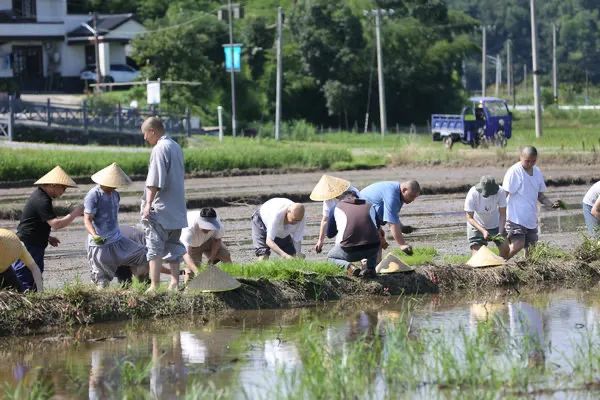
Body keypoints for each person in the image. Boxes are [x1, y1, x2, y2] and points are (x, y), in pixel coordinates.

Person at [11, 166, 83, 291]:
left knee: (34, 276)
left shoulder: (41, 196)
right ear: (53, 185)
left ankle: (32, 301)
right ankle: (21, 301)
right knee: (25, 276)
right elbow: (56, 224)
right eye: (63, 188)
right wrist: (75, 213)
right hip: (29, 245)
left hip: (32, 242)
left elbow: (32, 223)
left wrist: (47, 237)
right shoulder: (42, 200)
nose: (63, 192)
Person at [141, 116, 188, 291]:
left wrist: (148, 204)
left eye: (145, 134)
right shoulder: (175, 146)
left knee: (154, 247)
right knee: (173, 246)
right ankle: (174, 282)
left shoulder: (159, 149)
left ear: (152, 131)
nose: (145, 138)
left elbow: (155, 180)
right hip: (176, 210)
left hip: (161, 209)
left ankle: (154, 285)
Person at [83, 163, 148, 288]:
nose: (115, 185)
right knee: (102, 282)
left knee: (144, 255)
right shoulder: (94, 195)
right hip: (100, 244)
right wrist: (95, 235)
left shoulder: (115, 195)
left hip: (118, 240)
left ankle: (142, 286)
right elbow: (87, 220)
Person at [502, 146, 561, 260]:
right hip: (515, 218)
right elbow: (505, 194)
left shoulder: (537, 172)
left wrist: (550, 204)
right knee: (517, 245)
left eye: (533, 161)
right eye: (527, 161)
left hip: (530, 218)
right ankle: (498, 264)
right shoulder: (514, 172)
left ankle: (527, 269)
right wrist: (500, 214)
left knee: (532, 249)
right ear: (521, 157)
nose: (530, 164)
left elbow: (540, 195)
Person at [326, 191, 380, 278]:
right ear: (357, 197)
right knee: (374, 239)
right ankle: (370, 269)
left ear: (341, 199)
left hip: (349, 251)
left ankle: (349, 267)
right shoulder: (370, 205)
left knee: (330, 258)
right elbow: (377, 227)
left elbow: (330, 234)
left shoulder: (336, 207)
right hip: (372, 249)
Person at [360, 180, 421, 257]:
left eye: (415, 197)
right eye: (411, 196)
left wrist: (402, 227)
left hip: (369, 217)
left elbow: (393, 215)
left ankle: (374, 267)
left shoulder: (398, 194)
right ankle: (371, 267)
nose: (413, 200)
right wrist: (402, 244)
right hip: (360, 214)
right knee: (375, 242)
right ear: (404, 190)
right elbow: (392, 223)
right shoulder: (392, 195)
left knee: (378, 241)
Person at [309, 175, 360, 254]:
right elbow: (325, 219)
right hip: (341, 222)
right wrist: (320, 241)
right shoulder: (328, 199)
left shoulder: (353, 193)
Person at [464, 176, 509, 258]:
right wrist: (483, 230)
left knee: (506, 249)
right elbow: (469, 217)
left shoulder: (501, 192)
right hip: (477, 225)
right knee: (477, 256)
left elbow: (502, 214)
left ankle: (499, 267)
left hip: (496, 224)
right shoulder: (473, 193)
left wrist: (500, 232)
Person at [181, 207, 232, 272]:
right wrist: (197, 271)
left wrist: (212, 258)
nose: (208, 230)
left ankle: (233, 278)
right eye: (206, 226)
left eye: (211, 227)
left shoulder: (218, 224)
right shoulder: (188, 229)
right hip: (192, 245)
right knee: (190, 272)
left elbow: (217, 240)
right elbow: (186, 254)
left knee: (225, 255)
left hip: (208, 240)